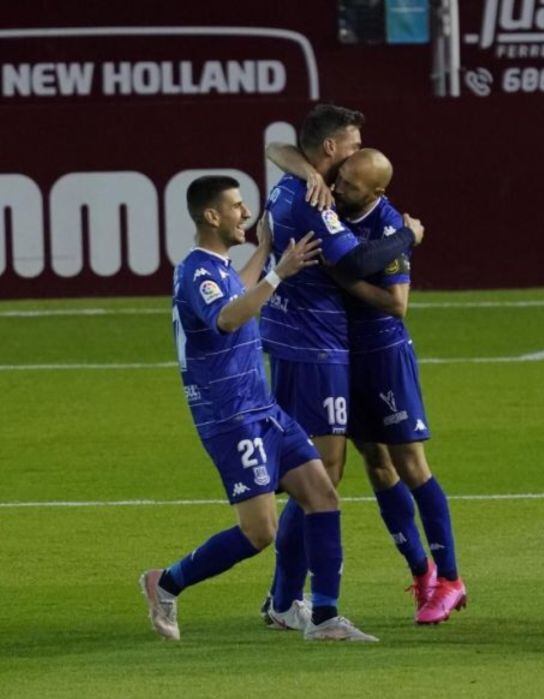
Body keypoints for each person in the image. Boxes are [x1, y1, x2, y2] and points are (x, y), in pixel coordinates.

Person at [140, 175, 376, 642]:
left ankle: (326, 618)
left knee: (323, 495)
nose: (244, 212)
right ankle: (165, 582)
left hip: (263, 409)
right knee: (259, 532)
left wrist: (265, 251)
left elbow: (238, 288)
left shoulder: (220, 268)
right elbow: (227, 317)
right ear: (212, 216)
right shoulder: (196, 272)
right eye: (235, 206)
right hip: (229, 418)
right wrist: (278, 272)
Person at [258, 105, 426, 629]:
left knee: (320, 474)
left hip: (294, 341)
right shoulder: (315, 198)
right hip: (313, 347)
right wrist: (408, 236)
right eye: (353, 146)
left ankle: (283, 600)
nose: (360, 155)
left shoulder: (293, 181)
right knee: (320, 479)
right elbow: (354, 264)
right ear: (330, 149)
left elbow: (278, 148)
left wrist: (302, 167)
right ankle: (304, 606)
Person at [330, 148, 466, 625]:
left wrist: (341, 280)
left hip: (384, 357)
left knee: (411, 464)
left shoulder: (389, 226)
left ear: (376, 191)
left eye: (349, 183)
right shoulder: (332, 206)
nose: (339, 186)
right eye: (340, 176)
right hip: (343, 357)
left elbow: (396, 304)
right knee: (375, 462)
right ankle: (422, 572)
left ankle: (451, 580)